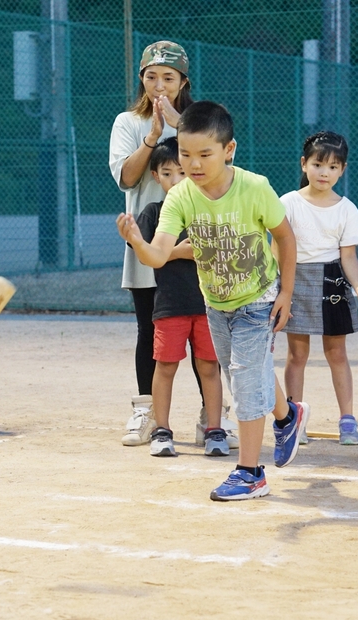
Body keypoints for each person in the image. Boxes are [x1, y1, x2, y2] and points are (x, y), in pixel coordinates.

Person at [116, 101, 308, 502]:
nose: (194, 163)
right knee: (247, 369)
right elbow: (158, 255)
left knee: (243, 377)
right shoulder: (181, 196)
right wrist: (136, 239)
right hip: (216, 303)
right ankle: (288, 416)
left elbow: (286, 238)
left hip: (258, 299)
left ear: (229, 150)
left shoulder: (254, 187)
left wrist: (287, 293)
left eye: (205, 154)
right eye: (186, 154)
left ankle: (250, 472)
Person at [109, 40, 236, 449]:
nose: (159, 85)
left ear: (183, 81)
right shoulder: (127, 122)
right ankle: (147, 412)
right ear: (142, 79)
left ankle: (210, 418)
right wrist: (152, 138)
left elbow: (224, 171)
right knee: (151, 329)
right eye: (151, 77)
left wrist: (181, 126)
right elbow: (127, 179)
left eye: (168, 77)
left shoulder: (201, 121)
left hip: (202, 238)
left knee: (208, 330)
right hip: (150, 239)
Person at [135, 137, 226, 458]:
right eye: (167, 173)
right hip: (169, 307)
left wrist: (174, 252)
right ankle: (162, 430)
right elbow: (148, 256)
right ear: (155, 176)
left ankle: (215, 429)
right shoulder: (152, 213)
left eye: (182, 172)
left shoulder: (210, 208)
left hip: (209, 306)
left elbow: (217, 251)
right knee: (165, 367)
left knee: (209, 367)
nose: (176, 181)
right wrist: (180, 251)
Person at [278, 132, 358, 445]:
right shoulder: (287, 203)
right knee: (297, 354)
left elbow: (349, 257)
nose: (324, 172)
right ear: (304, 164)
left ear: (342, 171)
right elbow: (278, 248)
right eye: (318, 164)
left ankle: (347, 421)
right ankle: (293, 421)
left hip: (333, 282)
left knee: (337, 353)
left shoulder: (347, 209)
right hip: (294, 280)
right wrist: (279, 287)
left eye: (333, 167)